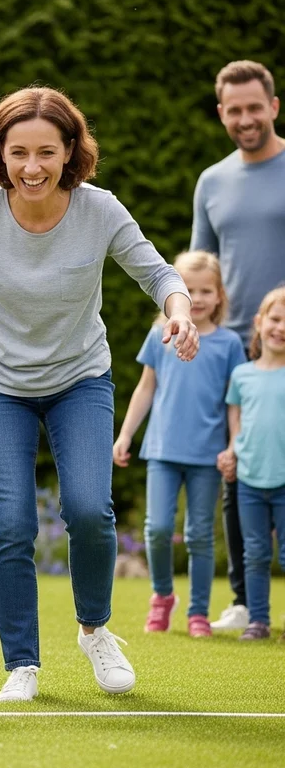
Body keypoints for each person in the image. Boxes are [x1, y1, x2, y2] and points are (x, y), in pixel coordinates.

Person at [0, 87, 198, 702]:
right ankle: (21, 664)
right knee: (12, 525)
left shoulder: (99, 211)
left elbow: (158, 273)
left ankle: (95, 629)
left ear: (70, 151)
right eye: (18, 151)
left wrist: (178, 313)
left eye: (46, 152)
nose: (32, 166)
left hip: (80, 378)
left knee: (87, 508)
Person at [190, 60, 285, 632]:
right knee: (237, 474)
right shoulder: (212, 181)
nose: (245, 118)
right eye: (234, 109)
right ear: (221, 112)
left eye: (255, 107)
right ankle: (246, 600)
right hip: (238, 353)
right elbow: (202, 270)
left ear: (274, 106)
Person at [113, 252, 245, 638]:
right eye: (189, 290)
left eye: (207, 290)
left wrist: (233, 445)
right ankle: (162, 597)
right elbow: (145, 388)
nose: (198, 298)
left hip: (207, 455)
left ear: (220, 296)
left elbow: (235, 404)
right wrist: (125, 434)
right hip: (162, 451)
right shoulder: (161, 336)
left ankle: (198, 612)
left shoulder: (229, 344)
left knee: (200, 535)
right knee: (155, 530)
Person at [217, 287, 285, 642]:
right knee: (255, 553)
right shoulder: (242, 375)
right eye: (275, 318)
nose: (281, 327)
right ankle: (258, 620)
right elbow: (236, 420)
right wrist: (231, 452)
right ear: (259, 323)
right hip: (249, 482)